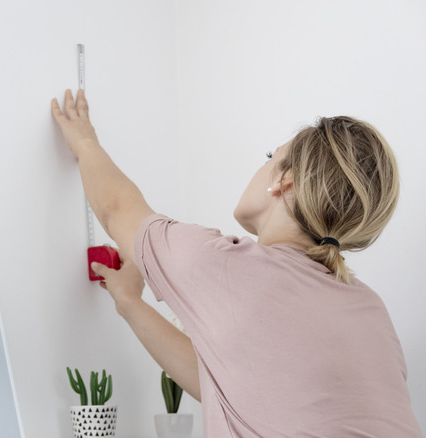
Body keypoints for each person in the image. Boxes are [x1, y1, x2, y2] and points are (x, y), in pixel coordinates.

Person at [51, 89, 422, 437]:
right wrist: (130, 303)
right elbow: (222, 383)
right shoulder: (369, 307)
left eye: (269, 157)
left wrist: (84, 142)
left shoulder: (228, 267)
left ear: (285, 180)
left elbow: (116, 208)